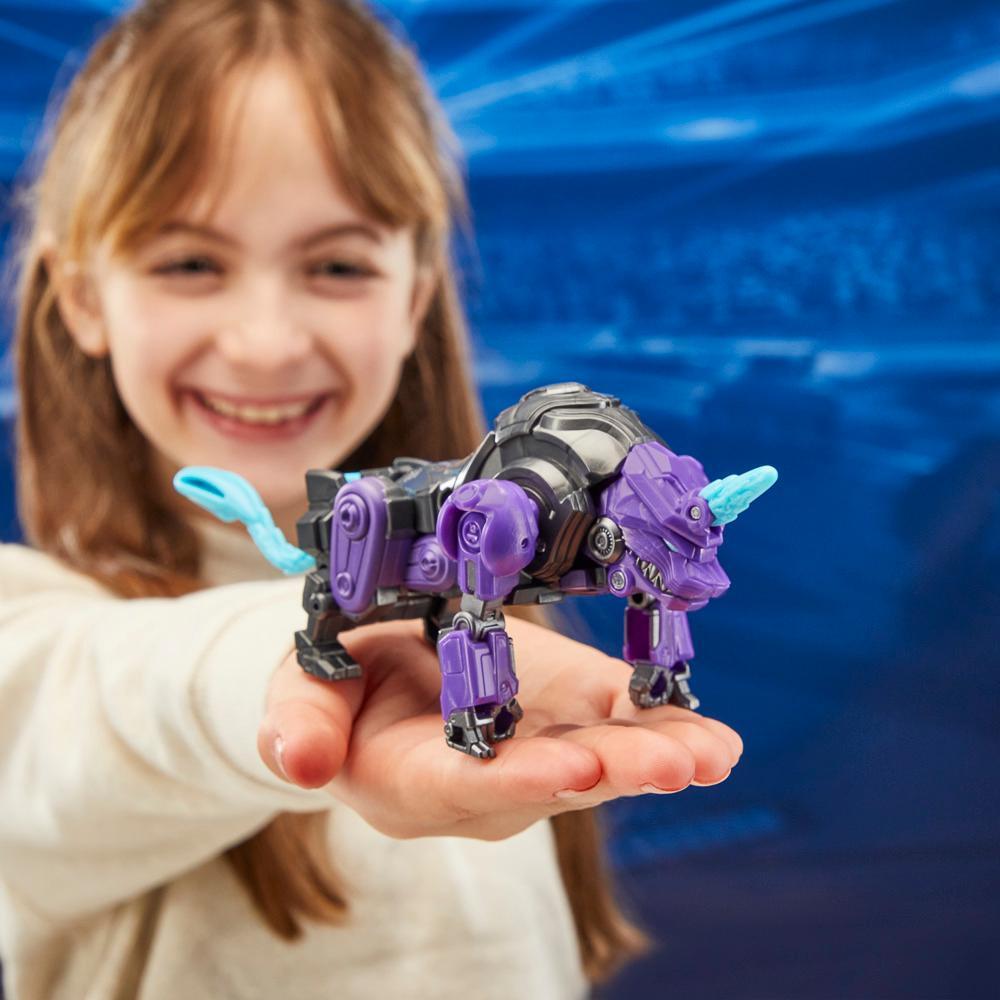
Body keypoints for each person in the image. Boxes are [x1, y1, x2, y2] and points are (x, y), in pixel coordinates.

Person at [0, 1, 743, 998]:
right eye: (190, 263)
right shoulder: (26, 627)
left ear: (415, 296)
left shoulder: (534, 645)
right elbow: (105, 706)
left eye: (338, 265)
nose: (265, 343)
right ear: (84, 297)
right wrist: (296, 659)